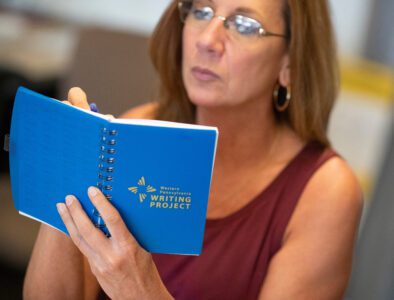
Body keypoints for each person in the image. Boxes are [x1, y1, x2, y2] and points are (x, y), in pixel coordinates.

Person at [23, 0, 363, 299]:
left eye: (245, 25)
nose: (206, 40)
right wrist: (68, 163)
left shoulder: (326, 192)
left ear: (289, 62)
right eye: (201, 11)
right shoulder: (141, 125)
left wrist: (140, 291)